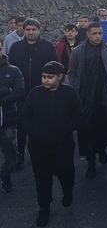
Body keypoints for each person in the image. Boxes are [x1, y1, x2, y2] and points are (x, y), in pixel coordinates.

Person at [22, 61, 82, 227]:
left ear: (60, 77)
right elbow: (25, 118)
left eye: (50, 77)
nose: (45, 80)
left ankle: (67, 192)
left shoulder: (69, 93)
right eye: (43, 77)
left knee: (66, 172)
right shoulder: (34, 94)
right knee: (42, 179)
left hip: (63, 144)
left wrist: (65, 131)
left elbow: (78, 115)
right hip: (39, 146)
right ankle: (44, 208)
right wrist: (36, 134)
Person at [67, 22, 107, 179]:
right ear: (87, 34)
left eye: (100, 33)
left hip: (104, 97)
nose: (97, 36)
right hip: (86, 98)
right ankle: (91, 162)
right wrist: (77, 90)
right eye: (94, 33)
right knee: (87, 130)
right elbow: (72, 72)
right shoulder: (77, 52)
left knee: (104, 127)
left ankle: (101, 149)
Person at [8, 18, 57, 169]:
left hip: (43, 91)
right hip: (21, 94)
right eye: (28, 29)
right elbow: (11, 69)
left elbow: (55, 67)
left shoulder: (47, 46)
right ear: (23, 30)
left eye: (33, 29)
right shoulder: (16, 47)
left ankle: (45, 153)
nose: (30, 32)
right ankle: (21, 155)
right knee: (22, 126)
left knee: (45, 123)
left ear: (39, 30)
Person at [0, 41, 25, 193]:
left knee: (11, 158)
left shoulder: (13, 70)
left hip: (8, 120)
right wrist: (5, 90)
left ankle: (5, 176)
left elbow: (19, 92)